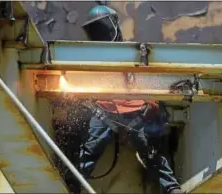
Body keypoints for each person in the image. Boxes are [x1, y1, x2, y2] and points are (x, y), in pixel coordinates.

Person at [79, 4, 184, 194]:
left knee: (150, 152)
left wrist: (150, 104)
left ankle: (172, 188)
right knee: (89, 150)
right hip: (103, 111)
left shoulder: (132, 52)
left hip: (133, 111)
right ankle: (72, 184)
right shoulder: (90, 55)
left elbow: (148, 81)